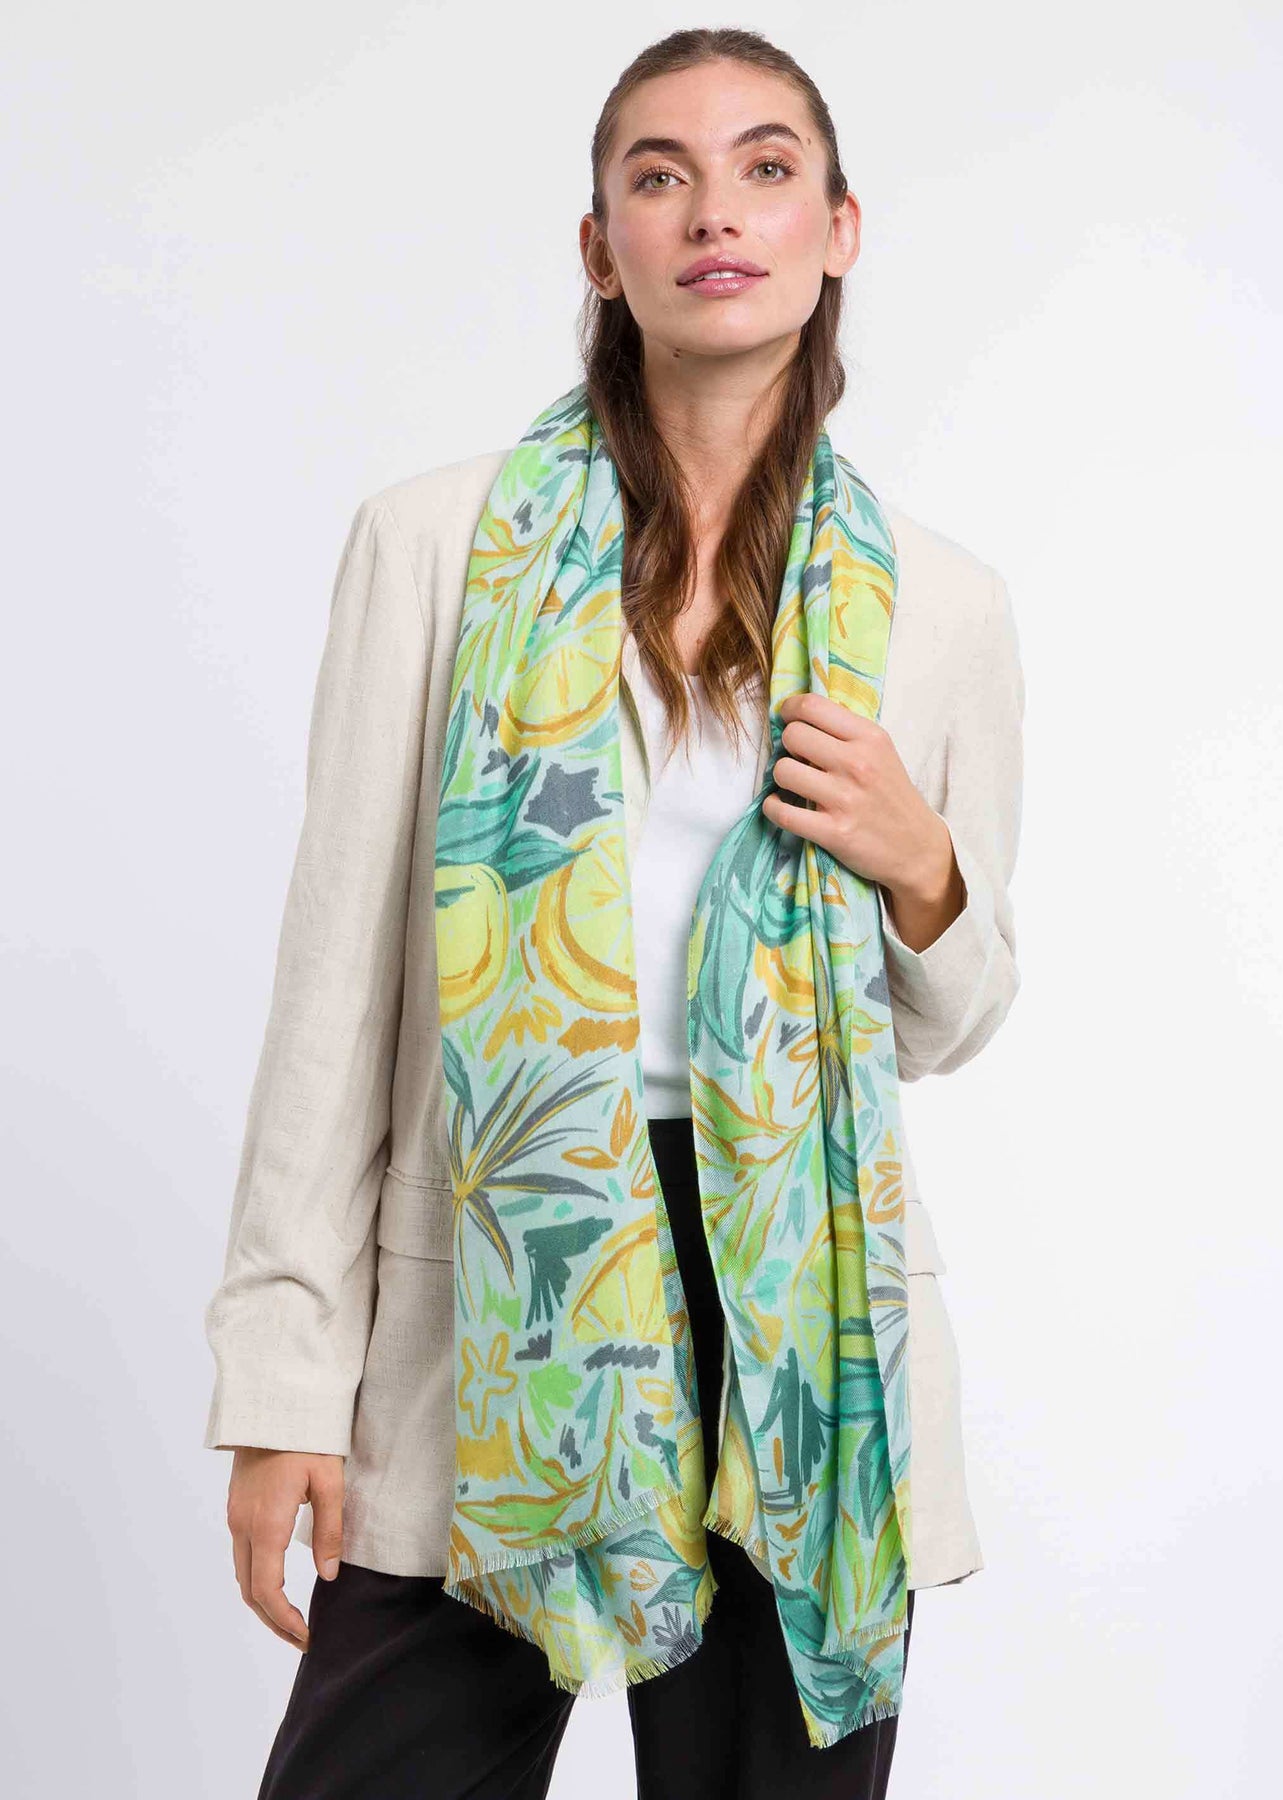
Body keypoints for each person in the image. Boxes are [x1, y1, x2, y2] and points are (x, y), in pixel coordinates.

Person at [203, 25, 1024, 1800]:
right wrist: (279, 1386)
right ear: (601, 247)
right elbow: (333, 994)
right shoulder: (435, 547)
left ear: (838, 228)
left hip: (795, 1320)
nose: (712, 212)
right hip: (499, 1298)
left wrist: (920, 862)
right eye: (660, 175)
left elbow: (951, 1023)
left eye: (764, 168)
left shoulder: (939, 605)